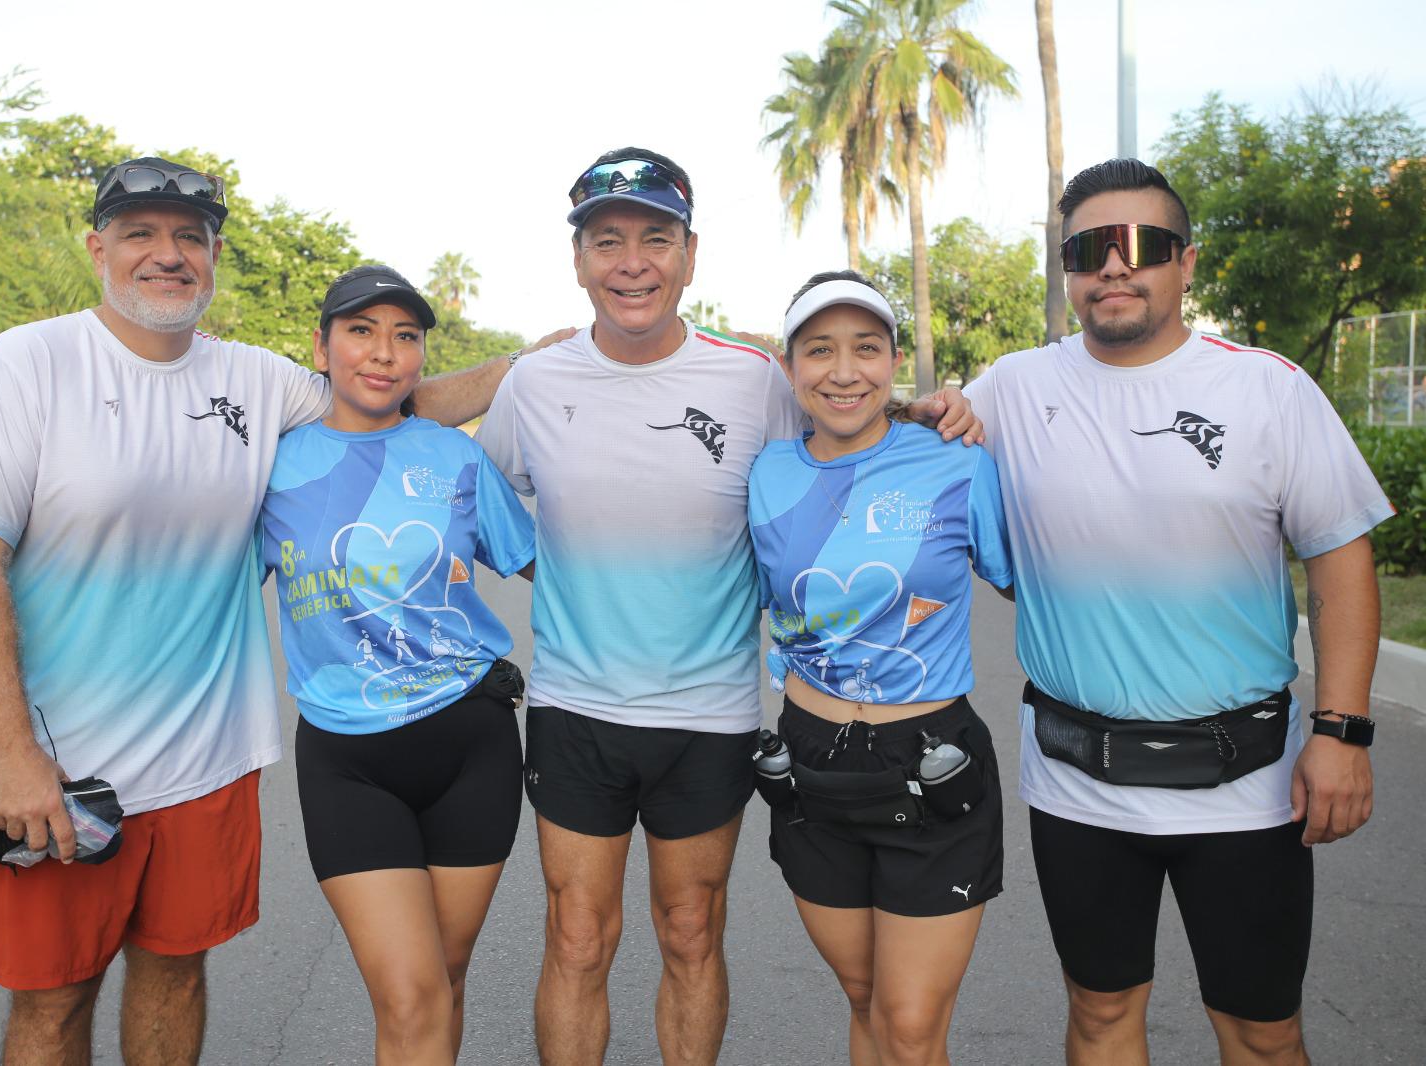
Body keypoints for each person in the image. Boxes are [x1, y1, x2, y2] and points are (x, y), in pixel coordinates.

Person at [0, 157, 527, 1066]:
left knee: (175, 977)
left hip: (208, 763)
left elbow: (387, 405)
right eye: (140, 234)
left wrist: (545, 363)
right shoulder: (28, 364)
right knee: (52, 1004)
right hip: (62, 769)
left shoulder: (256, 381)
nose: (167, 255)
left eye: (189, 238)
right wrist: (10, 752)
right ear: (98, 249)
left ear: (212, 256)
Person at [474, 147, 981, 1066]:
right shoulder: (535, 386)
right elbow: (475, 489)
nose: (633, 261)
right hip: (575, 709)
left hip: (708, 717)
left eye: (655, 239)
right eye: (608, 240)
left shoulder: (751, 382)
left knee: (690, 934)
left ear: (691, 254)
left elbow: (842, 422)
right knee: (577, 939)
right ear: (579, 259)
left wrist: (930, 409)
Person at [963, 158, 1393, 1065]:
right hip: (1077, 780)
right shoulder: (1011, 389)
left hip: (1245, 784)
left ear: (1185, 263)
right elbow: (867, 421)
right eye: (1089, 249)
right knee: (1101, 1014)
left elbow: (1341, 561)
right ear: (1068, 270)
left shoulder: (1267, 390)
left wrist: (1343, 732)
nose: (1115, 267)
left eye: (1142, 246)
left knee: (1263, 1032)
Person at [258, 265, 534, 1065]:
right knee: (409, 992)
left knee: (442, 978)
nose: (384, 353)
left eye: (405, 337)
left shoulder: (455, 457)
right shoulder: (271, 467)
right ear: (321, 347)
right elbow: (205, 588)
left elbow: (546, 570)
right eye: (361, 331)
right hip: (349, 760)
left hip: (471, 745)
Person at [748, 270, 1013, 1066]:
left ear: (894, 360)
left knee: (908, 1024)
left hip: (929, 762)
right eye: (820, 350)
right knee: (865, 1002)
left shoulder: (956, 462)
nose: (843, 370)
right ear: (789, 366)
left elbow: (1028, 579)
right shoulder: (767, 473)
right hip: (811, 766)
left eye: (867, 349)